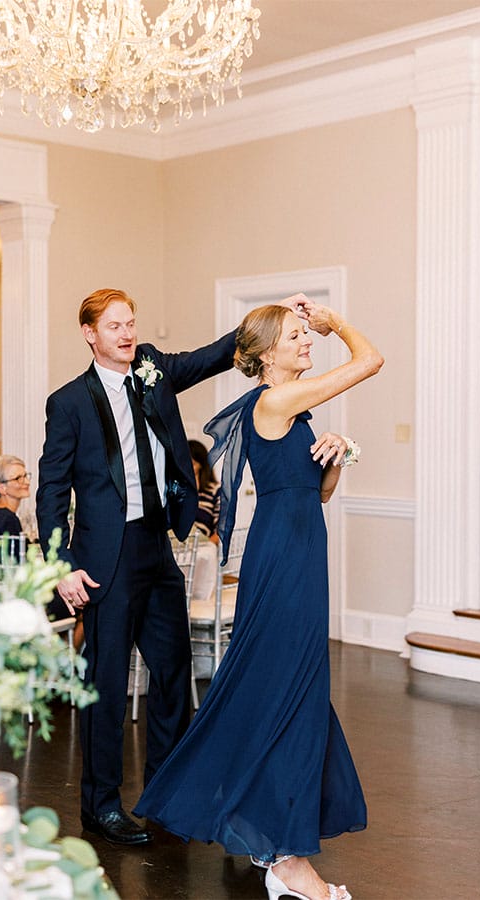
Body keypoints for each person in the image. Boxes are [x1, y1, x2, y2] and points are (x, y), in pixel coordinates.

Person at [36, 287, 305, 847]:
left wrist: (273, 315)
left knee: (173, 674)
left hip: (157, 548)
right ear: (90, 334)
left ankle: (164, 790)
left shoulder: (153, 367)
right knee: (106, 687)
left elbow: (213, 354)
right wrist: (59, 564)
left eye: (130, 322)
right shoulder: (68, 403)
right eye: (114, 326)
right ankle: (100, 807)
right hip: (102, 562)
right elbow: (51, 491)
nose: (127, 334)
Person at [134, 298, 384, 900]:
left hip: (298, 545)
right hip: (285, 558)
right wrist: (337, 323)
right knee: (293, 692)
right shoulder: (275, 401)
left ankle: (269, 838)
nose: (309, 342)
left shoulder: (292, 412)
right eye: (298, 337)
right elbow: (371, 360)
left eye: (309, 334)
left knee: (283, 688)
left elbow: (315, 492)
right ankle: (290, 863)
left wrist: (339, 453)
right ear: (267, 353)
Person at [188, 439, 220, 542]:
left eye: (191, 464)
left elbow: (220, 530)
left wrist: (206, 547)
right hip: (178, 548)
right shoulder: (177, 489)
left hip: (203, 548)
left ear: (200, 464)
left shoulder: (215, 490)